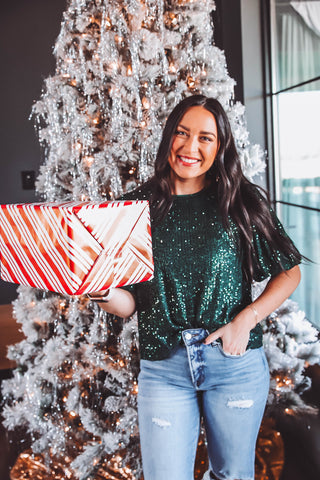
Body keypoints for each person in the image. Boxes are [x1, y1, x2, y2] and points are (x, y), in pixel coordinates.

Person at [88, 95, 301, 480]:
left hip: (235, 365)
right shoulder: (133, 208)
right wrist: (101, 291)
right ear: (169, 136)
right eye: (182, 134)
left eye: (205, 138)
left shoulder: (240, 200)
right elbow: (129, 304)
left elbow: (289, 272)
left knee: (232, 475)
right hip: (164, 368)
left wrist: (246, 320)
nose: (190, 148)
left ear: (220, 146)